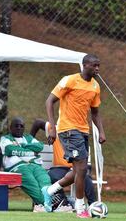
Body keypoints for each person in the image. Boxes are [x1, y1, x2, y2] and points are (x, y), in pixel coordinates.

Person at [44, 54, 106, 218]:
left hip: (83, 131)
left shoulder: (95, 86)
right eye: (94, 65)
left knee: (79, 171)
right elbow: (49, 101)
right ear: (85, 65)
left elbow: (95, 112)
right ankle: (80, 208)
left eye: (98, 65)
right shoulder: (69, 80)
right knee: (82, 169)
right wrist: (52, 128)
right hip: (68, 129)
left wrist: (101, 131)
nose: (97, 69)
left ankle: (50, 191)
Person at [30, 118, 96, 207]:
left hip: (76, 167)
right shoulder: (57, 129)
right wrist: (30, 140)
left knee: (85, 178)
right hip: (59, 167)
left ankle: (93, 205)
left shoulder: (79, 133)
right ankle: (64, 203)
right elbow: (37, 122)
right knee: (52, 176)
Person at [0, 117, 52, 212]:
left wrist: (23, 146)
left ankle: (45, 205)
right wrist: (31, 152)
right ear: (11, 128)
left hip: (35, 165)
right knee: (33, 184)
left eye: (21, 126)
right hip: (18, 167)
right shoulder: (5, 139)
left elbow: (39, 146)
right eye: (16, 126)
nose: (19, 128)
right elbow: (10, 149)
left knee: (45, 181)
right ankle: (48, 204)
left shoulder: (28, 138)